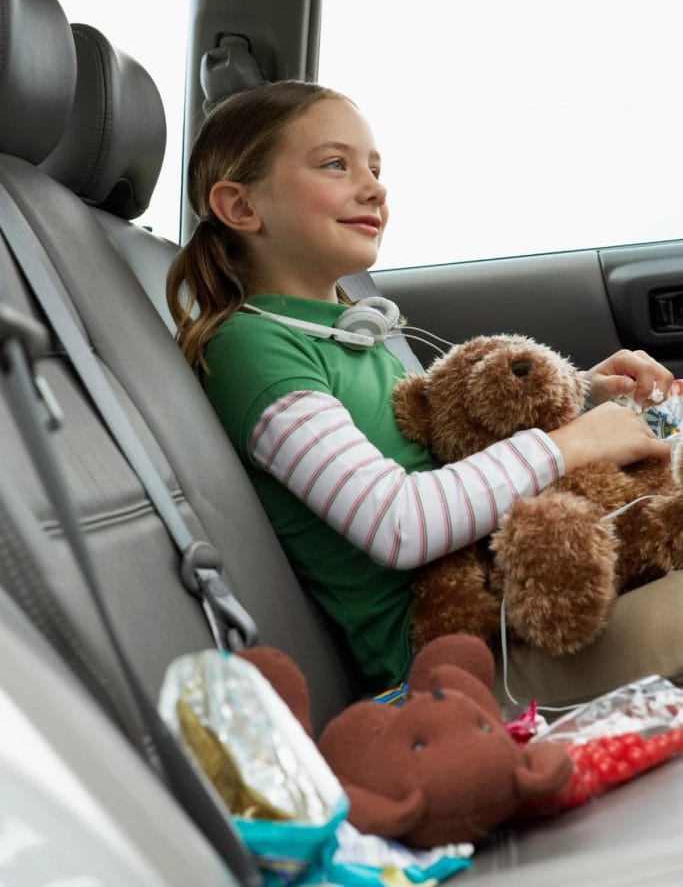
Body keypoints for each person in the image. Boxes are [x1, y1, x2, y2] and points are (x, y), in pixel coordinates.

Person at [167, 80, 673, 688]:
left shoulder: (354, 326)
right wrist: (576, 444)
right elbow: (396, 521)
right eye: (336, 164)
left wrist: (587, 394)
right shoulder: (254, 348)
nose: (375, 187)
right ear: (242, 207)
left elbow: (444, 443)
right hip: (466, 654)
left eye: (375, 168)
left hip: (523, 588)